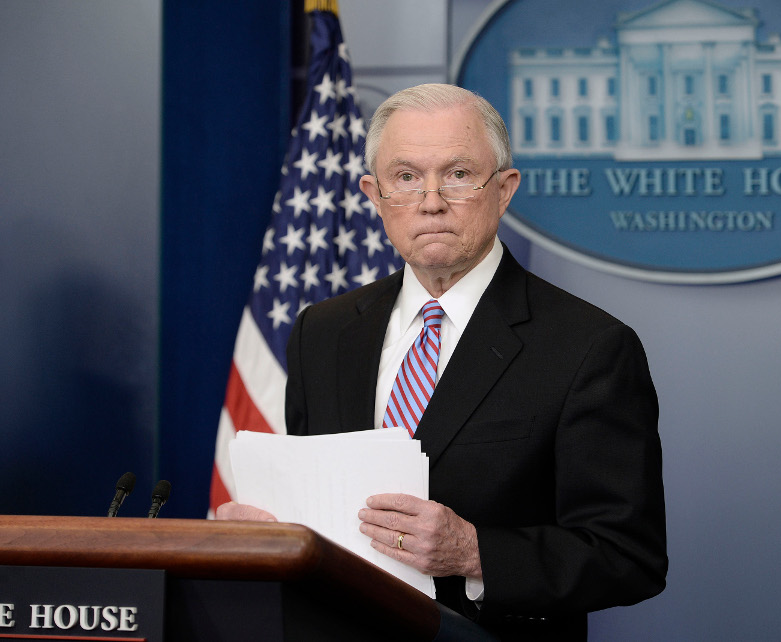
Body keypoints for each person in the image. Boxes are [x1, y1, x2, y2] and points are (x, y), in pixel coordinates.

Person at [218, 83, 666, 640]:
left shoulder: (589, 347)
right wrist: (275, 538)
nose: (431, 201)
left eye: (457, 174)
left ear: (504, 190)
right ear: (374, 194)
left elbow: (629, 554)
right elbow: (319, 502)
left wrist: (477, 554)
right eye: (406, 178)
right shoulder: (323, 332)